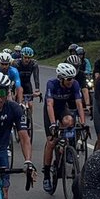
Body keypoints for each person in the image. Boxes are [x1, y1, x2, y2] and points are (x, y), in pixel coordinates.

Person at [41, 63, 87, 192]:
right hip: (50, 111)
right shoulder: (52, 84)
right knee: (51, 142)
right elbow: (49, 104)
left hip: (62, 109)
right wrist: (53, 125)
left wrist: (83, 122)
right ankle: (46, 176)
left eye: (72, 78)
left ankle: (68, 146)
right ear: (61, 78)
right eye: (68, 79)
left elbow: (79, 103)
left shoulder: (75, 84)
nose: (71, 81)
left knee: (69, 120)